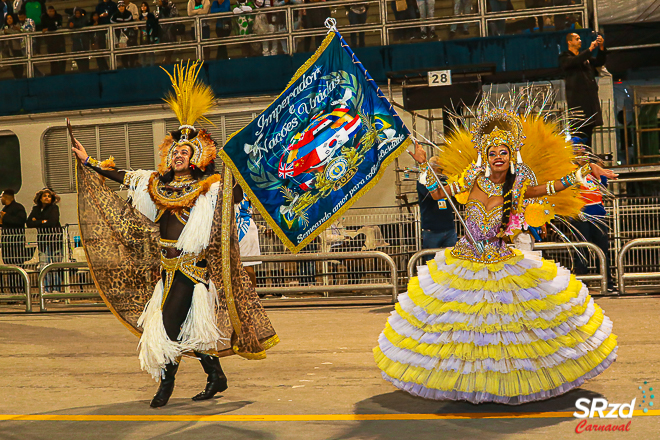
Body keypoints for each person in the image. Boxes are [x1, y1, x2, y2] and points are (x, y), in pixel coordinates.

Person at [374, 92, 618, 403]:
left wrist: (583, 172)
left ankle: (505, 384)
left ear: (510, 154)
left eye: (503, 152)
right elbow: (438, 195)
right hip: (465, 261)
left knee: (507, 330)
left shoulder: (517, 185)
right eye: (492, 153)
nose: (498, 157)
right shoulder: (473, 177)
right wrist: (425, 169)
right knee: (465, 331)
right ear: (485, 157)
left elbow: (549, 187)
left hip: (503, 260)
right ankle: (467, 384)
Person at [70, 61, 278, 408]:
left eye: (186, 151)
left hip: (192, 270)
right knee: (186, 331)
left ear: (196, 157)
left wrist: (243, 170)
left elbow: (238, 194)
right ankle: (216, 375)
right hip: (165, 268)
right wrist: (89, 160)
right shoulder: (158, 184)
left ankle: (165, 386)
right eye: (175, 152)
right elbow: (126, 177)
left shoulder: (209, 187)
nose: (179, 155)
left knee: (165, 328)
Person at [559, 33, 607, 151]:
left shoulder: (585, 58)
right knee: (579, 135)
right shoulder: (565, 57)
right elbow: (574, 61)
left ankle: (588, 159)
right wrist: (590, 49)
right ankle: (580, 159)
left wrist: (601, 47)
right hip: (577, 104)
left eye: (580, 38)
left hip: (589, 104)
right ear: (569, 42)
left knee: (588, 133)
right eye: (577, 39)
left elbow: (599, 62)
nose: (580, 41)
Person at [416, 155, 457, 261]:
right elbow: (432, 195)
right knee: (431, 262)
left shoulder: (446, 180)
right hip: (432, 230)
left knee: (452, 261)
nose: (440, 171)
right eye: (438, 168)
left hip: (449, 228)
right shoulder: (423, 181)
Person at [26, 188, 63, 293]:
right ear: (40, 198)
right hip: (42, 242)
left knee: (55, 266)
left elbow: (52, 222)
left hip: (55, 241)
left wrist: (37, 221)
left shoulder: (54, 208)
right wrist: (43, 221)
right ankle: (46, 291)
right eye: (44, 196)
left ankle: (56, 291)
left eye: (49, 196)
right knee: (43, 266)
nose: (47, 198)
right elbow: (29, 223)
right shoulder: (36, 209)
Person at [0, 189, 27, 292]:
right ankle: (13, 291)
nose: (1, 199)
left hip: (16, 244)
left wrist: (5, 216)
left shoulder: (18, 208)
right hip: (7, 243)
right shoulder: (5, 208)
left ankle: (21, 290)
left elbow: (20, 220)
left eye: (1, 197)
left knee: (18, 267)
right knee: (9, 268)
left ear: (6, 197)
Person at [234, 188, 261, 289]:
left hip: (244, 225)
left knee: (246, 263)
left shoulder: (239, 185)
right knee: (240, 264)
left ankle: (252, 295)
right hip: (238, 226)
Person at [111, 1, 137, 68]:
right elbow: (111, 22)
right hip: (120, 36)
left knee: (131, 50)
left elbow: (131, 23)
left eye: (122, 6)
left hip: (128, 35)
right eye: (120, 7)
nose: (121, 8)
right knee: (123, 51)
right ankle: (125, 65)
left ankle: (132, 64)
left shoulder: (128, 14)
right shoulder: (115, 15)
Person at [40, 6, 65, 75]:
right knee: (52, 58)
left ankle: (62, 72)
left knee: (62, 57)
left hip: (59, 40)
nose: (51, 13)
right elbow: (42, 27)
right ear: (47, 11)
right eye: (49, 11)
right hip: (50, 41)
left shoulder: (58, 16)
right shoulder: (44, 17)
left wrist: (48, 29)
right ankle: (54, 73)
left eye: (52, 11)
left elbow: (58, 26)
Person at [68, 7, 90, 72]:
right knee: (77, 57)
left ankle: (86, 70)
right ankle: (80, 70)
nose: (77, 14)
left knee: (85, 57)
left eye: (78, 13)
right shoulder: (71, 19)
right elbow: (68, 26)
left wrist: (74, 25)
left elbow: (83, 25)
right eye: (76, 13)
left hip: (84, 41)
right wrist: (70, 26)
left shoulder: (84, 18)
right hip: (76, 41)